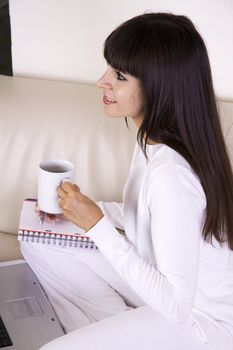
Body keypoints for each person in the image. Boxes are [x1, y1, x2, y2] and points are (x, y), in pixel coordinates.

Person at [20, 12, 233, 350]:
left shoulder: (171, 175)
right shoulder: (152, 140)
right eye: (109, 68)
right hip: (163, 291)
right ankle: (119, 329)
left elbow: (178, 306)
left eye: (119, 75)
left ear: (157, 86)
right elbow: (153, 218)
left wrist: (96, 223)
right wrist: (85, 211)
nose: (102, 81)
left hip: (200, 322)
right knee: (39, 231)